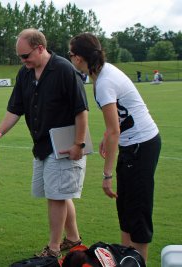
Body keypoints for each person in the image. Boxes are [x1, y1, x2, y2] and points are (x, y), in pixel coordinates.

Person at [0, 28, 88, 258]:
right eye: (20, 57)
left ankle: (53, 249)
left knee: (56, 196)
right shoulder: (25, 74)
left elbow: (81, 111)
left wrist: (79, 145)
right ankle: (73, 239)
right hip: (42, 145)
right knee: (59, 193)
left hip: (64, 143)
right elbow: (15, 109)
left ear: (40, 48)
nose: (23, 61)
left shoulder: (64, 70)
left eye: (26, 56)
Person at [69, 32, 161, 263]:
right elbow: (116, 120)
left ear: (79, 58)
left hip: (141, 144)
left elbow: (114, 131)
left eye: (71, 54)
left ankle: (139, 261)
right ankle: (125, 256)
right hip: (133, 143)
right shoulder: (100, 75)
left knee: (137, 208)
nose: (70, 58)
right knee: (125, 205)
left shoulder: (105, 81)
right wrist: (106, 135)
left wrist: (106, 175)